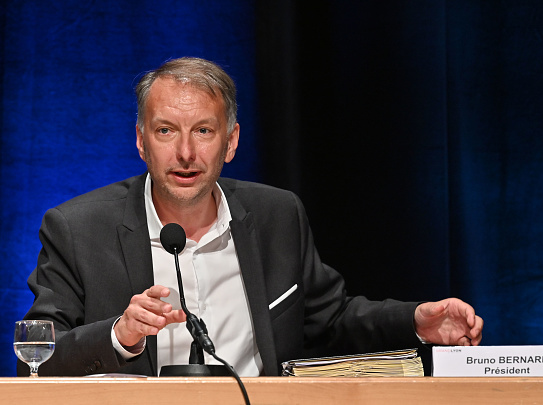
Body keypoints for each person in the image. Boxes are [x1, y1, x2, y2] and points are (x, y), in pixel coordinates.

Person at [18, 57, 483, 377]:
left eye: (204, 130)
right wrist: (121, 335)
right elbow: (35, 359)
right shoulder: (76, 228)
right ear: (141, 141)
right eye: (166, 131)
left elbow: (331, 321)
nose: (185, 152)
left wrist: (417, 321)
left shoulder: (278, 215)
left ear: (231, 141)